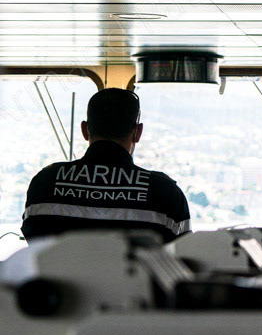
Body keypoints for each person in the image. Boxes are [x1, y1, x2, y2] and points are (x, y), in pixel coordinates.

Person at [21, 87, 191, 243]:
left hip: (55, 277)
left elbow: (34, 249)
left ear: (85, 130)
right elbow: (182, 256)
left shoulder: (45, 183)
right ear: (138, 133)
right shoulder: (165, 193)